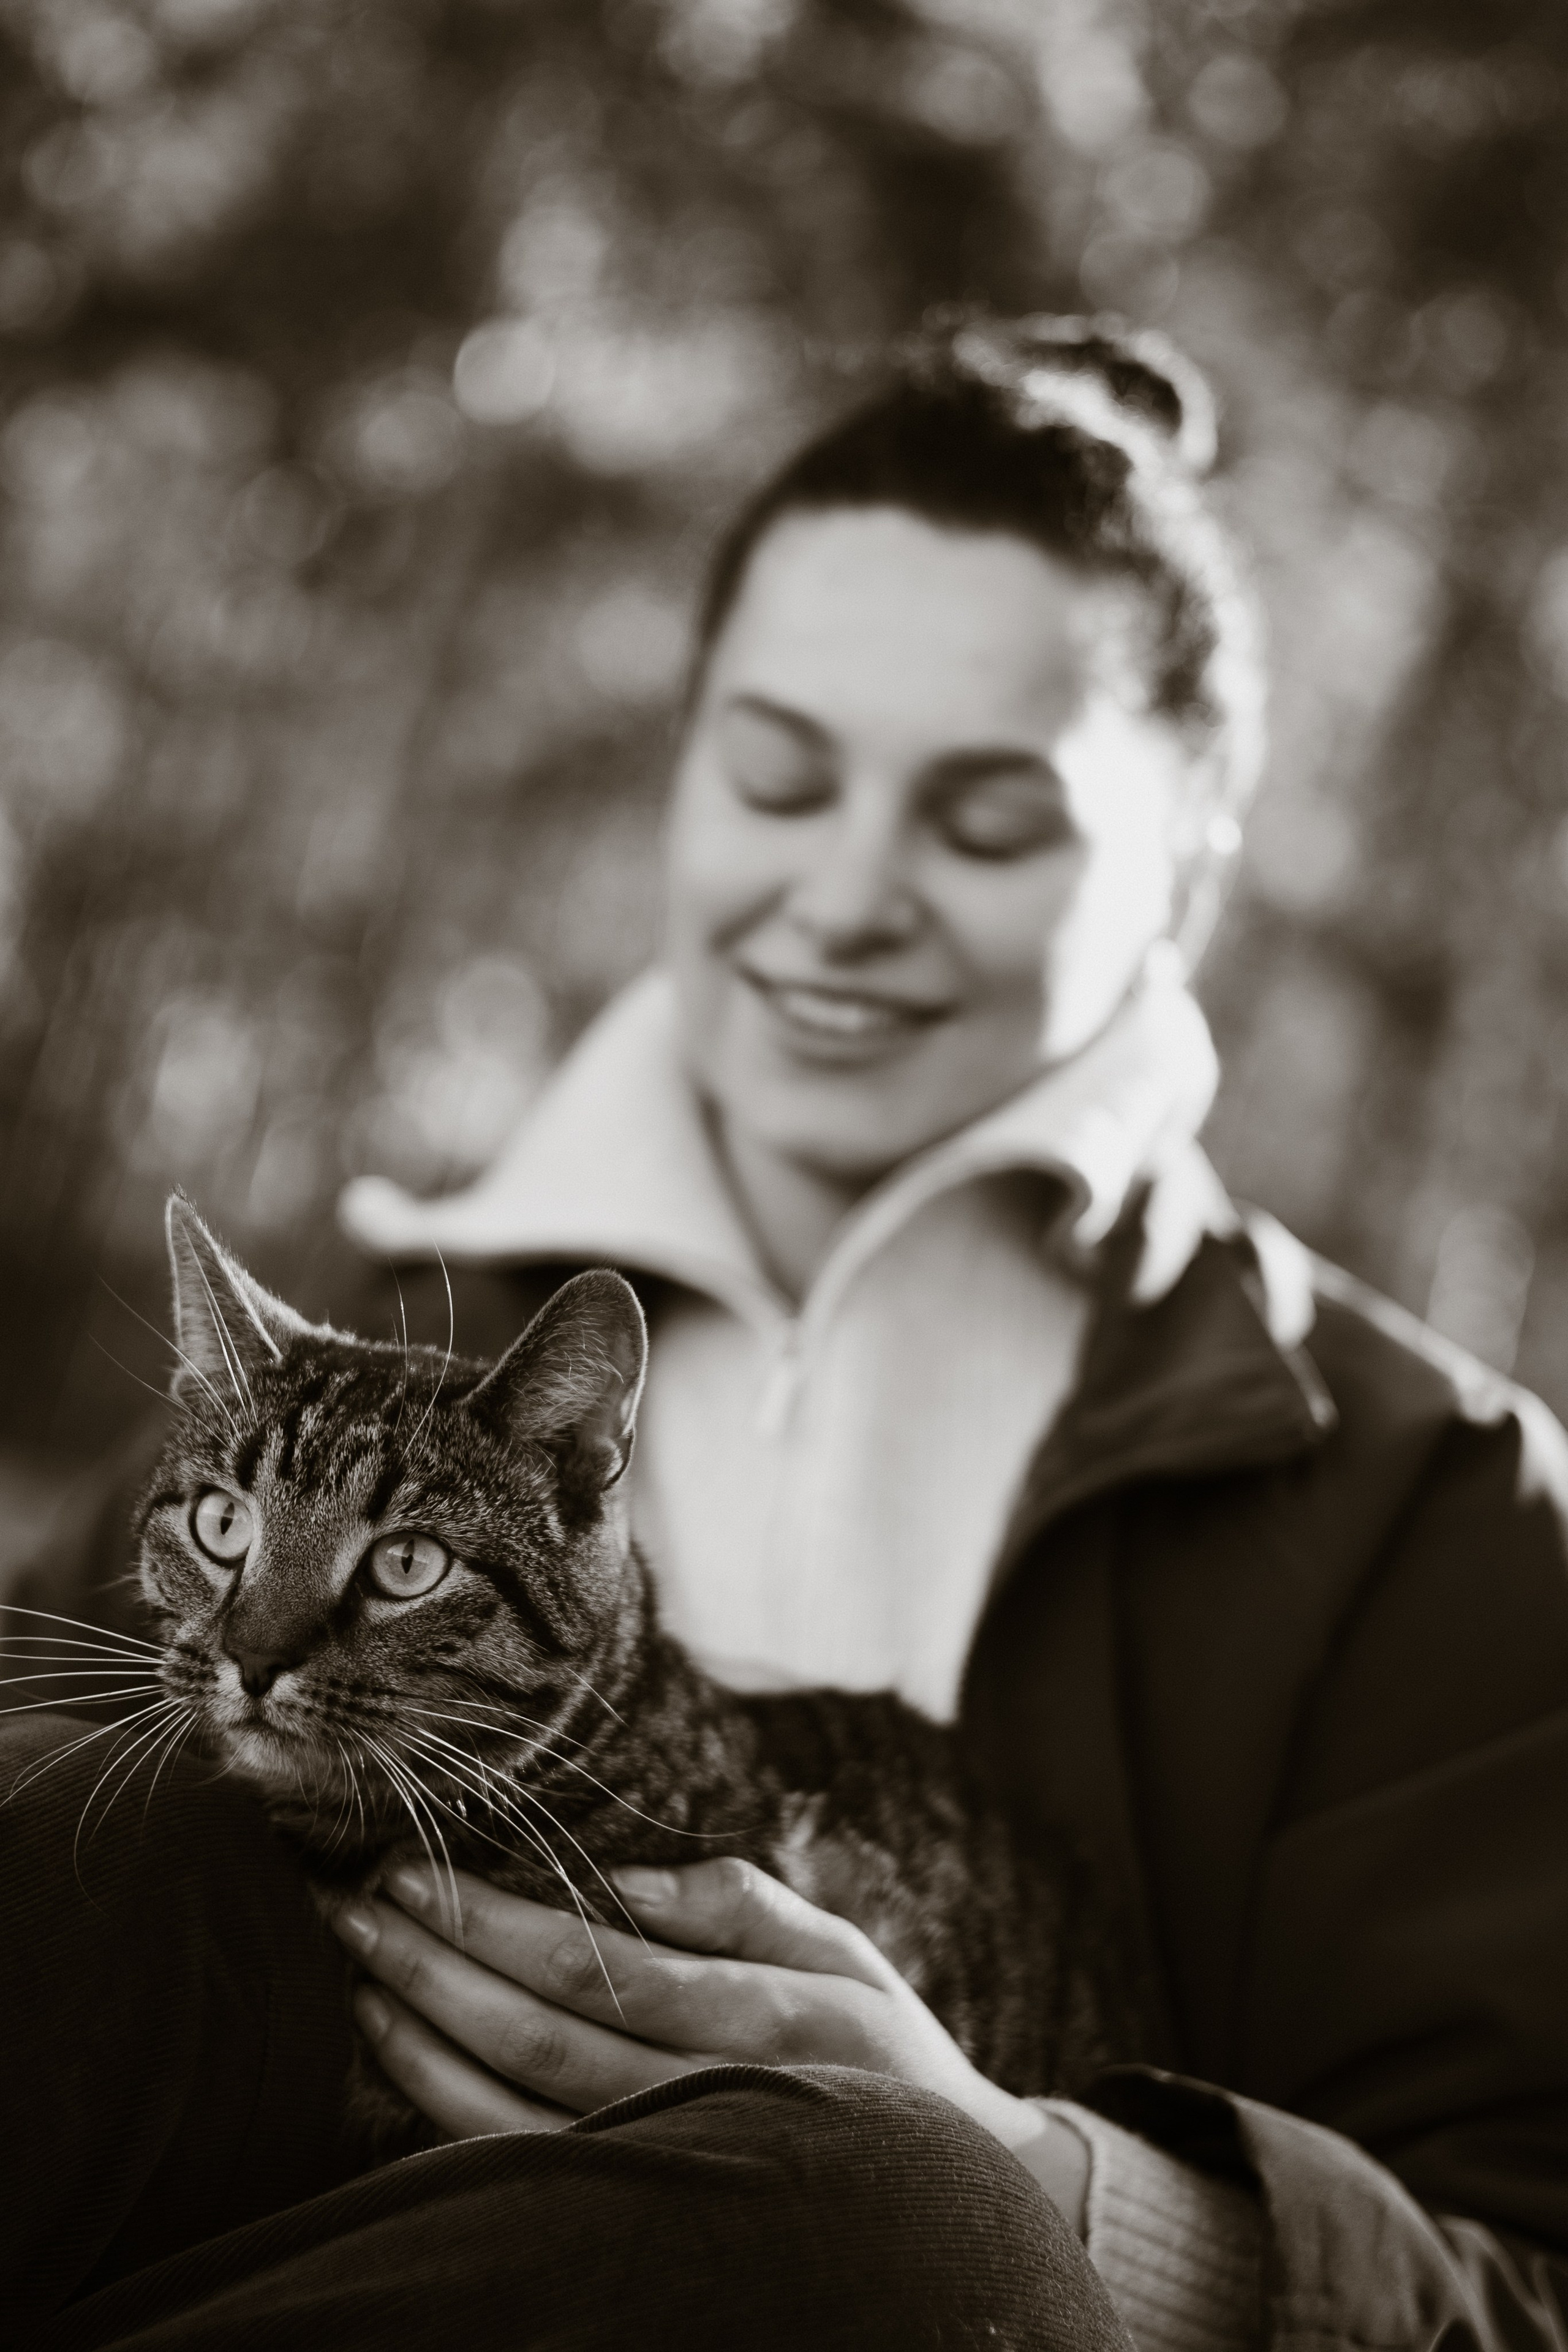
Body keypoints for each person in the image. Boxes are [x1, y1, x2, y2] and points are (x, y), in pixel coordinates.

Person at [7, 315, 1567, 2349]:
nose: (846, 895)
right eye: (776, 773)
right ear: (685, 774)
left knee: (887, 2230)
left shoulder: (1441, 1509)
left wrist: (1070, 2208)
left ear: (1191, 866)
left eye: (988, 822)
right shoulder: (366, 1343)